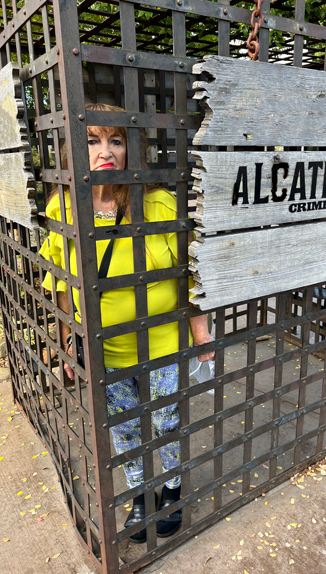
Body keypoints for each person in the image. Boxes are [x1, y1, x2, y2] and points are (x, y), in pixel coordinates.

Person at [39, 103, 214, 541]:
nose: (105, 151)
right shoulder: (63, 205)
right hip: (106, 350)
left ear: (129, 149)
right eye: (93, 140)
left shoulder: (156, 203)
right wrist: (65, 341)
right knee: (125, 427)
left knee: (166, 421)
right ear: (74, 148)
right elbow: (59, 280)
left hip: (161, 345)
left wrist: (201, 333)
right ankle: (141, 493)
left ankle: (171, 488)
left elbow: (192, 276)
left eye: (115, 140)